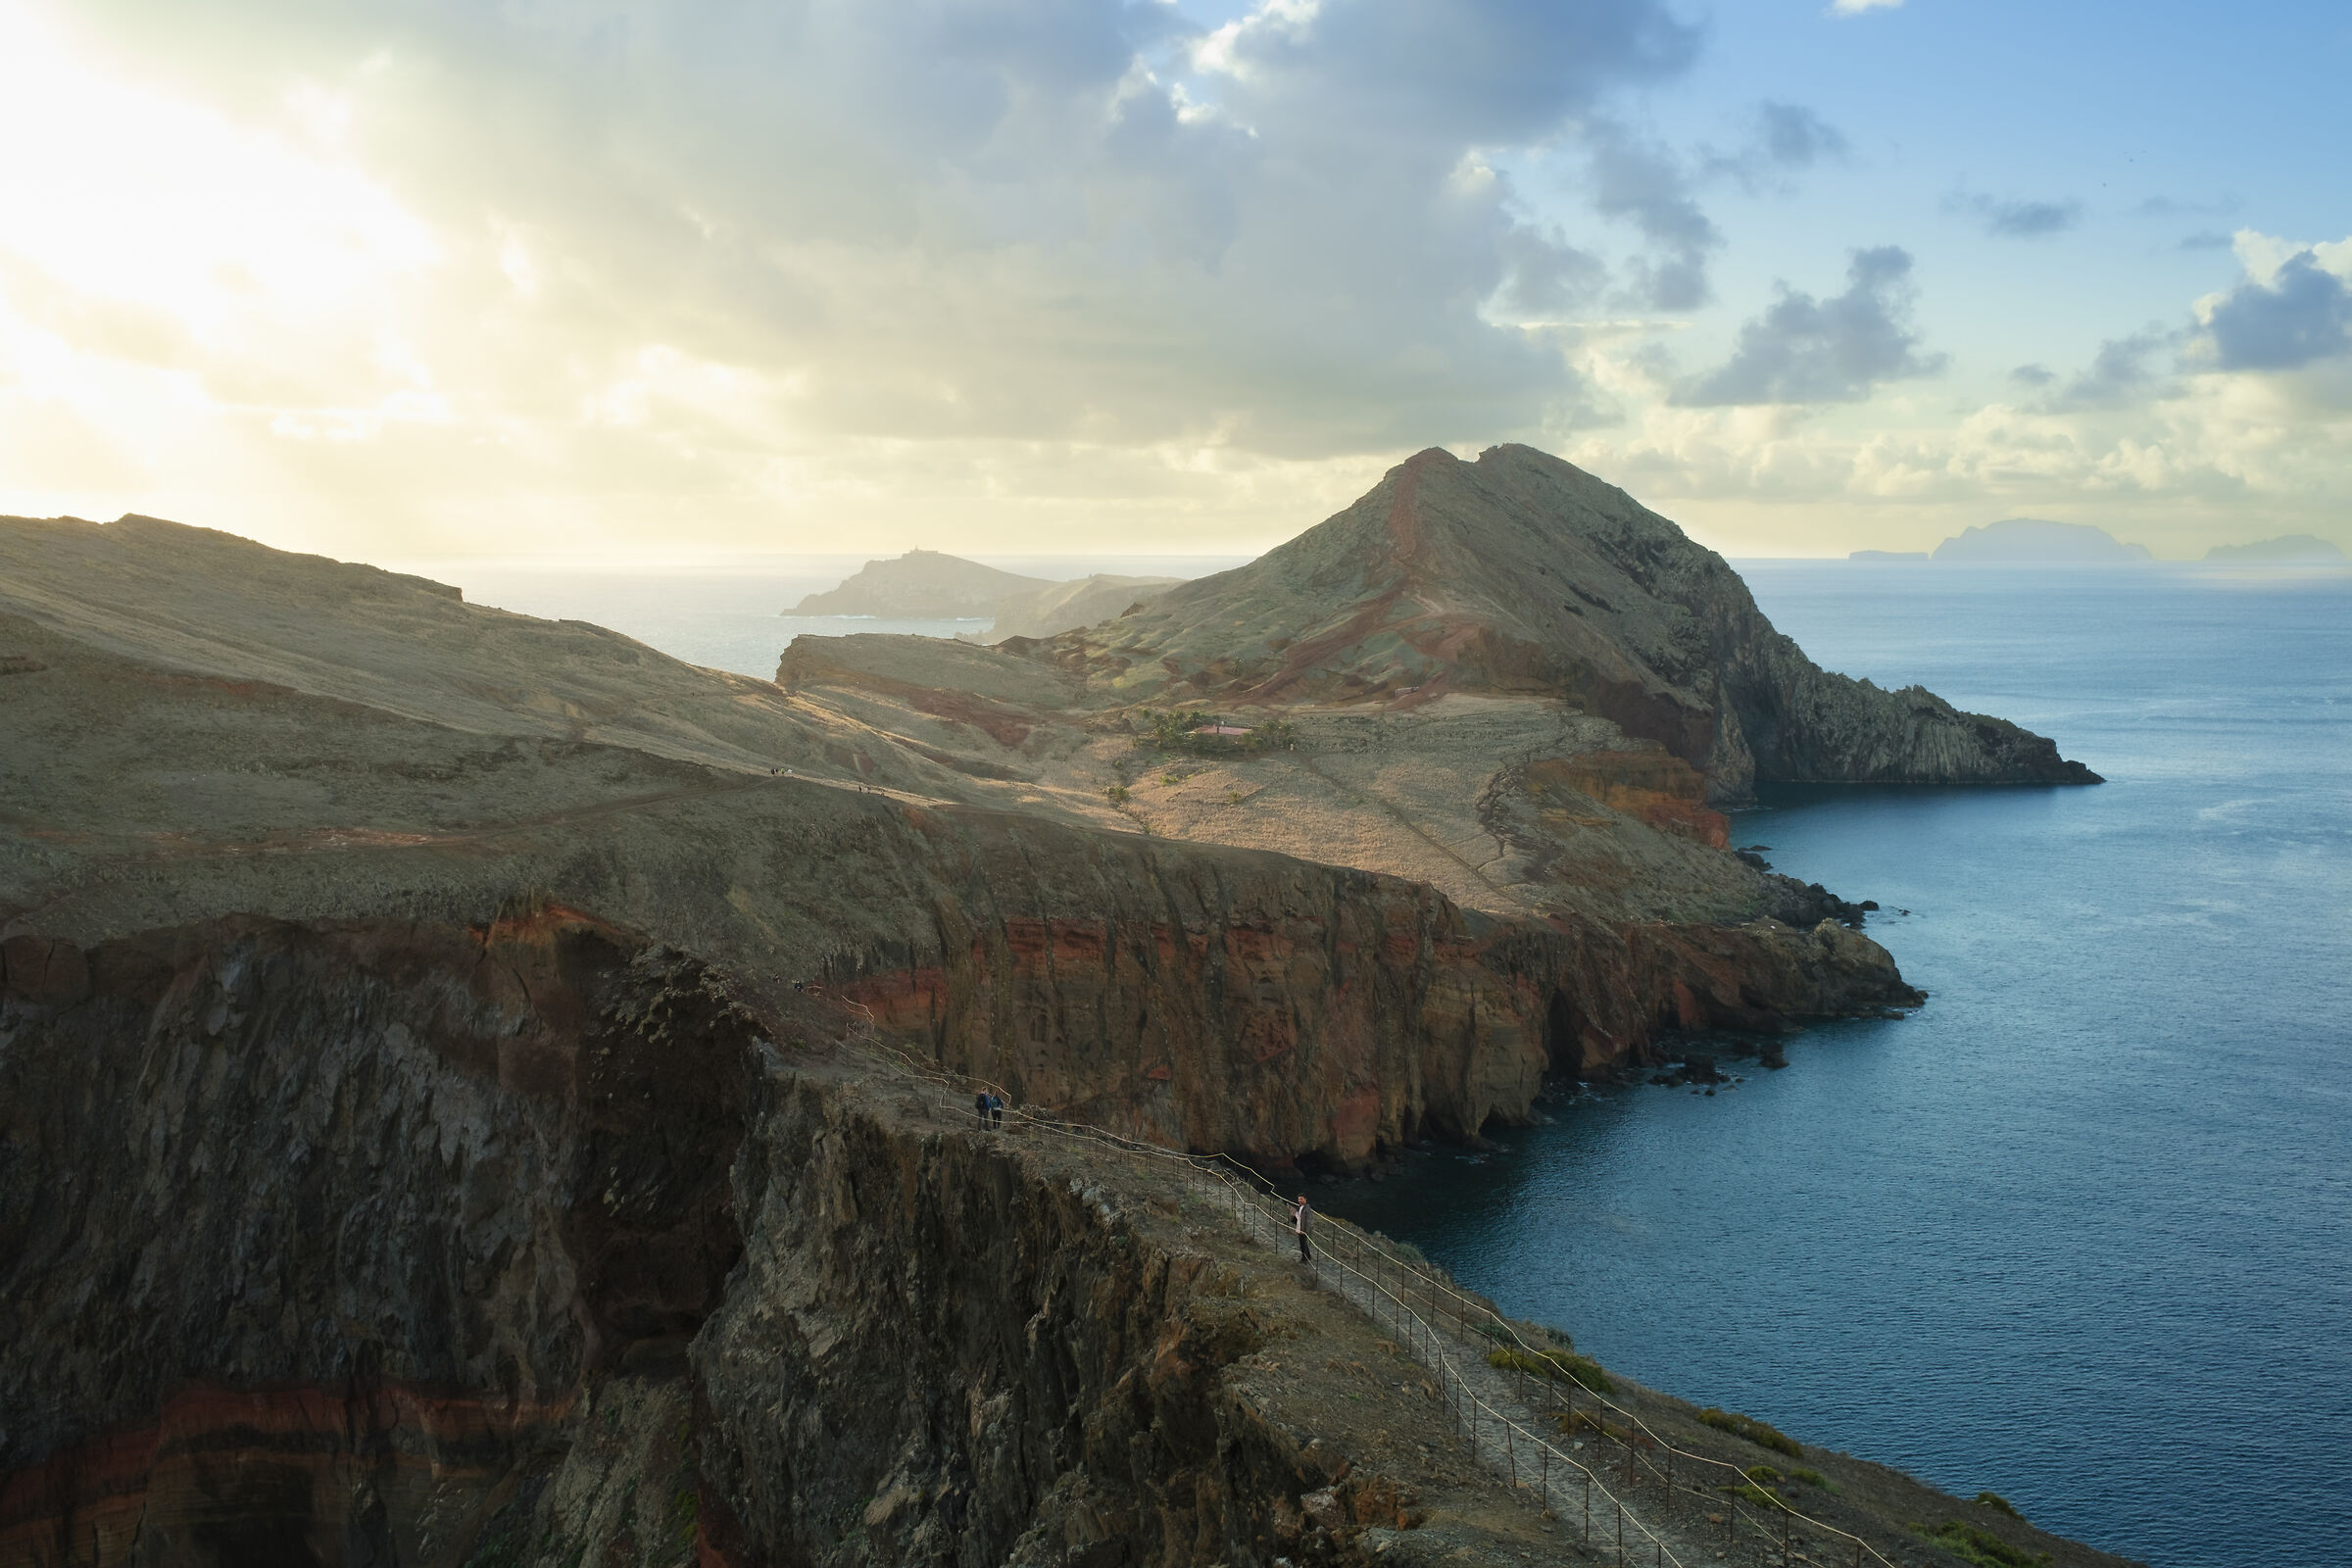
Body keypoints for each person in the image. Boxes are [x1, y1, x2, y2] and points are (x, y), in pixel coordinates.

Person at [1293, 1195, 1313, 1264]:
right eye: (1299, 1199)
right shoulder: (1300, 1207)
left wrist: (1305, 1231)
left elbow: (1308, 1221)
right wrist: (1294, 1213)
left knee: (1303, 1244)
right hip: (1300, 1228)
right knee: (1303, 1244)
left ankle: (1304, 1258)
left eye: (1301, 1199)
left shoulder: (1307, 1208)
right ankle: (1308, 1256)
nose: (1300, 1201)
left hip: (1303, 1230)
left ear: (1305, 1199)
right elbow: (1299, 1218)